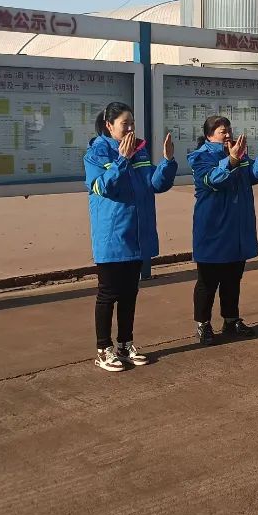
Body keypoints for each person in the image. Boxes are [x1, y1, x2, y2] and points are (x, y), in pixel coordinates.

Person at [84, 102, 177, 373]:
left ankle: (125, 344)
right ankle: (104, 349)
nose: (130, 128)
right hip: (112, 235)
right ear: (109, 126)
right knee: (108, 293)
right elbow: (103, 187)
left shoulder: (140, 150)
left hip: (137, 233)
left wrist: (167, 162)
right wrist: (122, 160)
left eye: (132, 123)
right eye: (125, 124)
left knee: (129, 293)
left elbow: (155, 184)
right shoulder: (96, 153)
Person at [187, 116, 258, 345]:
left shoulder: (238, 153)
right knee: (207, 281)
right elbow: (213, 180)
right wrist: (232, 160)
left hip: (237, 227)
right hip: (213, 228)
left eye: (228, 130)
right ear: (209, 135)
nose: (227, 135)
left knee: (232, 278)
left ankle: (231, 319)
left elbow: (255, 175)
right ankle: (203, 324)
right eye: (221, 131)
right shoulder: (200, 157)